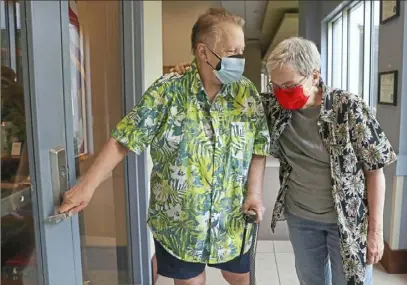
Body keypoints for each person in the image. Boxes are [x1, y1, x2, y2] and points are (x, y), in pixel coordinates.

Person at [59, 8, 271, 285]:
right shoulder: (167, 91)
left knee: (240, 277)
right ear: (203, 52)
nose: (239, 61)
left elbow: (259, 145)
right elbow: (125, 138)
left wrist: (254, 192)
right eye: (232, 53)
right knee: (190, 282)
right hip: (180, 222)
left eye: (240, 53)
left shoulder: (246, 93)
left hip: (231, 218)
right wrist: (88, 185)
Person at [263, 37, 396, 285]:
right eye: (276, 86)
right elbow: (233, 100)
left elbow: (375, 172)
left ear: (314, 76)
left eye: (290, 85)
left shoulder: (349, 107)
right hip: (301, 217)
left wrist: (375, 232)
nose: (282, 94)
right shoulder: (274, 107)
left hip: (347, 219)